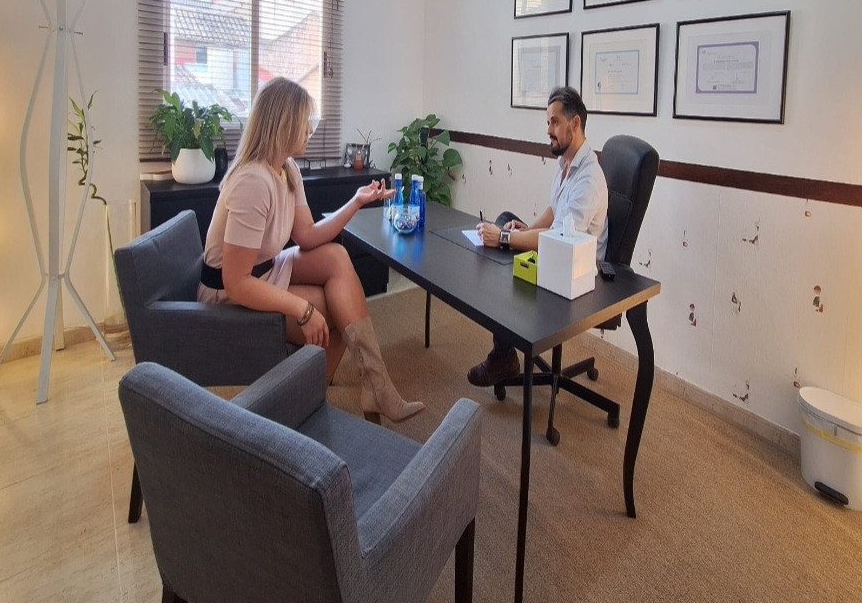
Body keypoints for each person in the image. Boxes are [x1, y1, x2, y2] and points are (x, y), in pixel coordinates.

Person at [197, 77, 424, 423]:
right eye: (304, 121)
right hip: (228, 292)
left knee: (336, 256)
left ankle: (374, 386)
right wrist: (302, 309)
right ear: (284, 123)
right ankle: (312, 399)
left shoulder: (286, 169)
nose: (310, 130)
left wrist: (356, 201)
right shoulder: (252, 182)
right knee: (331, 309)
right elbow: (236, 282)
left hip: (265, 269)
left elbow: (306, 236)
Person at [468, 85, 609, 387]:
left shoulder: (589, 178)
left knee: (504, 249)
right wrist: (524, 230)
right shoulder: (566, 163)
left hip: (575, 271)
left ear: (575, 123)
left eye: (554, 122)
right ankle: (505, 351)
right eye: (548, 122)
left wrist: (504, 239)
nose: (548, 130)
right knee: (506, 220)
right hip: (557, 252)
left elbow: (559, 237)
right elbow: (554, 211)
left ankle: (503, 357)